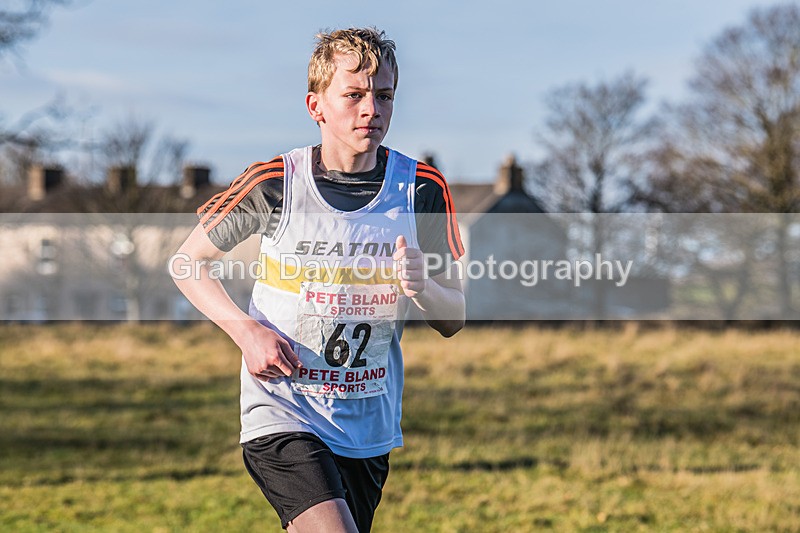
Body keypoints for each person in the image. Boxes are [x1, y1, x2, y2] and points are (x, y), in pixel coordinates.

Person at [172, 27, 465, 532]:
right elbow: (187, 263)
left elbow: (454, 317)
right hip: (282, 409)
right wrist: (247, 333)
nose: (371, 109)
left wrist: (425, 288)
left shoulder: (420, 188)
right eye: (353, 95)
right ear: (317, 105)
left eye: (384, 96)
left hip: (366, 423)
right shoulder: (275, 183)